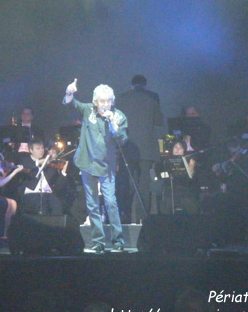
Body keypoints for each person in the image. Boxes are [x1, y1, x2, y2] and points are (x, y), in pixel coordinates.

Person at [63, 78, 128, 253]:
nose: (104, 104)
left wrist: (113, 124)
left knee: (110, 202)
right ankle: (98, 241)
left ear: (112, 101)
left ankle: (118, 241)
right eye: (101, 101)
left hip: (107, 166)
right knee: (92, 204)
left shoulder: (119, 116)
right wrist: (69, 93)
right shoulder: (88, 111)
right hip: (87, 162)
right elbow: (71, 105)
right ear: (95, 101)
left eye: (108, 101)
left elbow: (123, 140)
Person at [116, 74, 164, 222]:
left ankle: (126, 218)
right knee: (144, 186)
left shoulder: (122, 98)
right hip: (147, 150)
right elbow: (159, 121)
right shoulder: (153, 97)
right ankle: (143, 220)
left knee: (128, 185)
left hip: (127, 148)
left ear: (131, 85)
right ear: (145, 85)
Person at [17, 138, 67, 215]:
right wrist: (39, 162)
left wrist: (63, 172)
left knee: (57, 205)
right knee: (42, 205)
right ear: (31, 150)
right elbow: (26, 167)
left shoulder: (48, 163)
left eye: (42, 148)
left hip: (47, 192)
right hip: (31, 192)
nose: (41, 150)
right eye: (38, 149)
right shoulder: (25, 161)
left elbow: (56, 183)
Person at [159, 140, 199, 215]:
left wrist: (191, 166)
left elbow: (191, 178)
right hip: (170, 191)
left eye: (180, 148)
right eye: (175, 147)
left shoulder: (189, 160)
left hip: (185, 191)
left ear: (184, 150)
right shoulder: (165, 161)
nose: (177, 149)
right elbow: (159, 176)